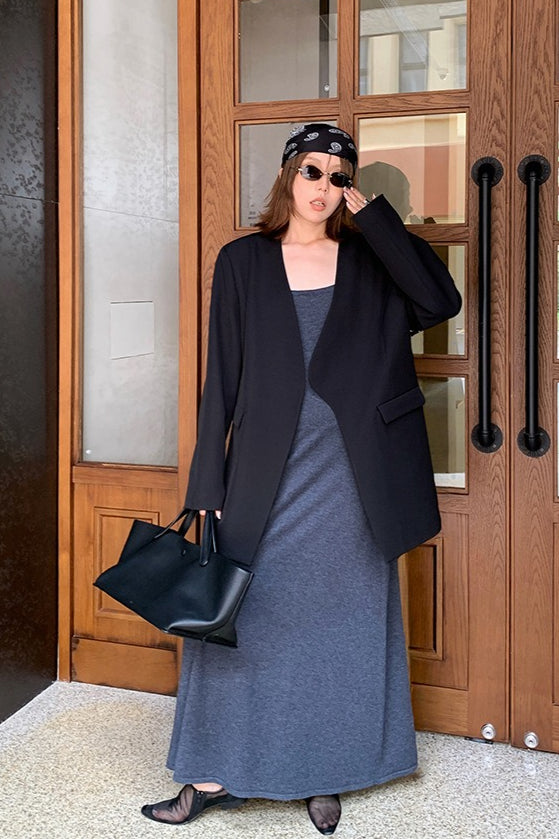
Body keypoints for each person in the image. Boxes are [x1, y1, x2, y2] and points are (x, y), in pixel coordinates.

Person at [141, 123, 461, 834]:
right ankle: (211, 774)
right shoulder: (243, 260)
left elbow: (440, 301)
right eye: (311, 170)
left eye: (338, 175)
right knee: (240, 614)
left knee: (340, 623)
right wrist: (207, 486)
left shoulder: (372, 259)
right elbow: (221, 377)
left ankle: (326, 769)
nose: (323, 186)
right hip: (264, 469)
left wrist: (377, 220)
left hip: (356, 474)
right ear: (288, 175)